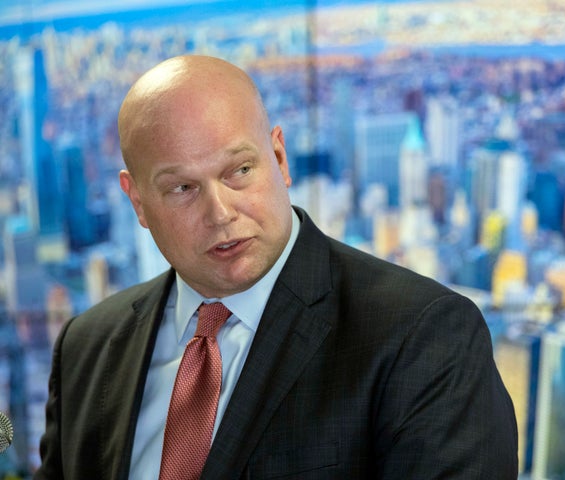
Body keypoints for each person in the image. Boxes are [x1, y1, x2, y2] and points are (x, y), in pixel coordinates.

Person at [35, 55, 518, 479]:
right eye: (182, 188)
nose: (221, 212)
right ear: (137, 201)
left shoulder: (423, 337)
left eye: (240, 171)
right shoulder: (85, 347)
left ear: (280, 158)